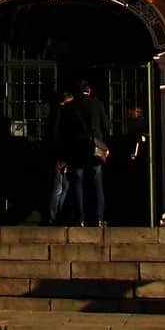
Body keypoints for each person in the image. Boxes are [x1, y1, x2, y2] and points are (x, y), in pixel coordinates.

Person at [60, 78, 110, 226]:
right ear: (89, 90)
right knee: (96, 184)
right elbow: (107, 126)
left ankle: (79, 218)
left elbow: (64, 131)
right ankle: (98, 218)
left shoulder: (69, 107)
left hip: (76, 148)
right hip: (94, 147)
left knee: (77, 183)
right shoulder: (97, 104)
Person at [43, 87, 74, 222]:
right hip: (59, 156)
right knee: (59, 188)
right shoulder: (60, 114)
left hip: (58, 155)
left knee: (61, 187)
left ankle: (55, 215)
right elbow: (57, 137)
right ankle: (53, 216)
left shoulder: (55, 114)